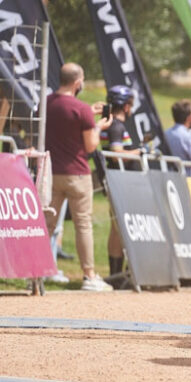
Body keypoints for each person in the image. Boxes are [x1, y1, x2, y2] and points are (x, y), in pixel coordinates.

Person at [44, 62, 113, 291]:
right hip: (77, 174)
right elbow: (91, 145)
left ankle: (38, 271)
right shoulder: (81, 109)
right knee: (83, 225)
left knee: (47, 224)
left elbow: (63, 119)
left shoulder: (45, 104)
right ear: (77, 82)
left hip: (51, 173)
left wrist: (88, 114)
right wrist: (98, 127)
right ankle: (89, 276)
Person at [99, 85, 141, 283]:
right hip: (121, 181)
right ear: (126, 106)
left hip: (121, 181)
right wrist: (139, 153)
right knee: (118, 229)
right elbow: (116, 154)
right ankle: (116, 275)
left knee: (118, 228)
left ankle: (118, 273)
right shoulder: (116, 125)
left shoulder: (112, 123)